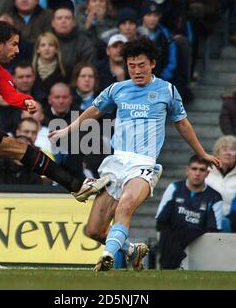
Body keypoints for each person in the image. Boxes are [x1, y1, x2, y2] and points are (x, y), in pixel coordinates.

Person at [0, 22, 110, 269]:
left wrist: (25, 102)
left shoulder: (0, 72)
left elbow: (10, 95)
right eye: (14, 44)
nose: (17, 49)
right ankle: (76, 185)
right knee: (18, 148)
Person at [49, 37, 221, 271]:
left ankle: (107, 256)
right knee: (94, 230)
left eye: (141, 65)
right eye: (132, 66)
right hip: (117, 163)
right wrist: (68, 129)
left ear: (152, 64)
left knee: (125, 206)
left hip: (144, 164)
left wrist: (202, 153)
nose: (137, 71)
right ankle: (132, 249)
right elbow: (94, 110)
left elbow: (182, 124)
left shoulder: (167, 90)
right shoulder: (118, 89)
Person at [156, 155, 223, 269]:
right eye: (194, 169)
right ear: (187, 170)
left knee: (183, 232)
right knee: (167, 233)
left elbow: (214, 230)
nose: (197, 173)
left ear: (207, 174)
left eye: (202, 170)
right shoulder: (174, 188)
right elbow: (161, 220)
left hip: (198, 240)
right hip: (171, 236)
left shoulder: (215, 197)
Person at [205, 135, 236, 232]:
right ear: (217, 154)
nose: (228, 153)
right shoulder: (206, 174)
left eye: (232, 150)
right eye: (224, 149)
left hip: (234, 220)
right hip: (208, 218)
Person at [31, 32, 67, 106]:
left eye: (51, 45)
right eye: (43, 45)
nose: (47, 48)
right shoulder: (30, 71)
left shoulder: (65, 71)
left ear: (56, 49)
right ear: (38, 49)